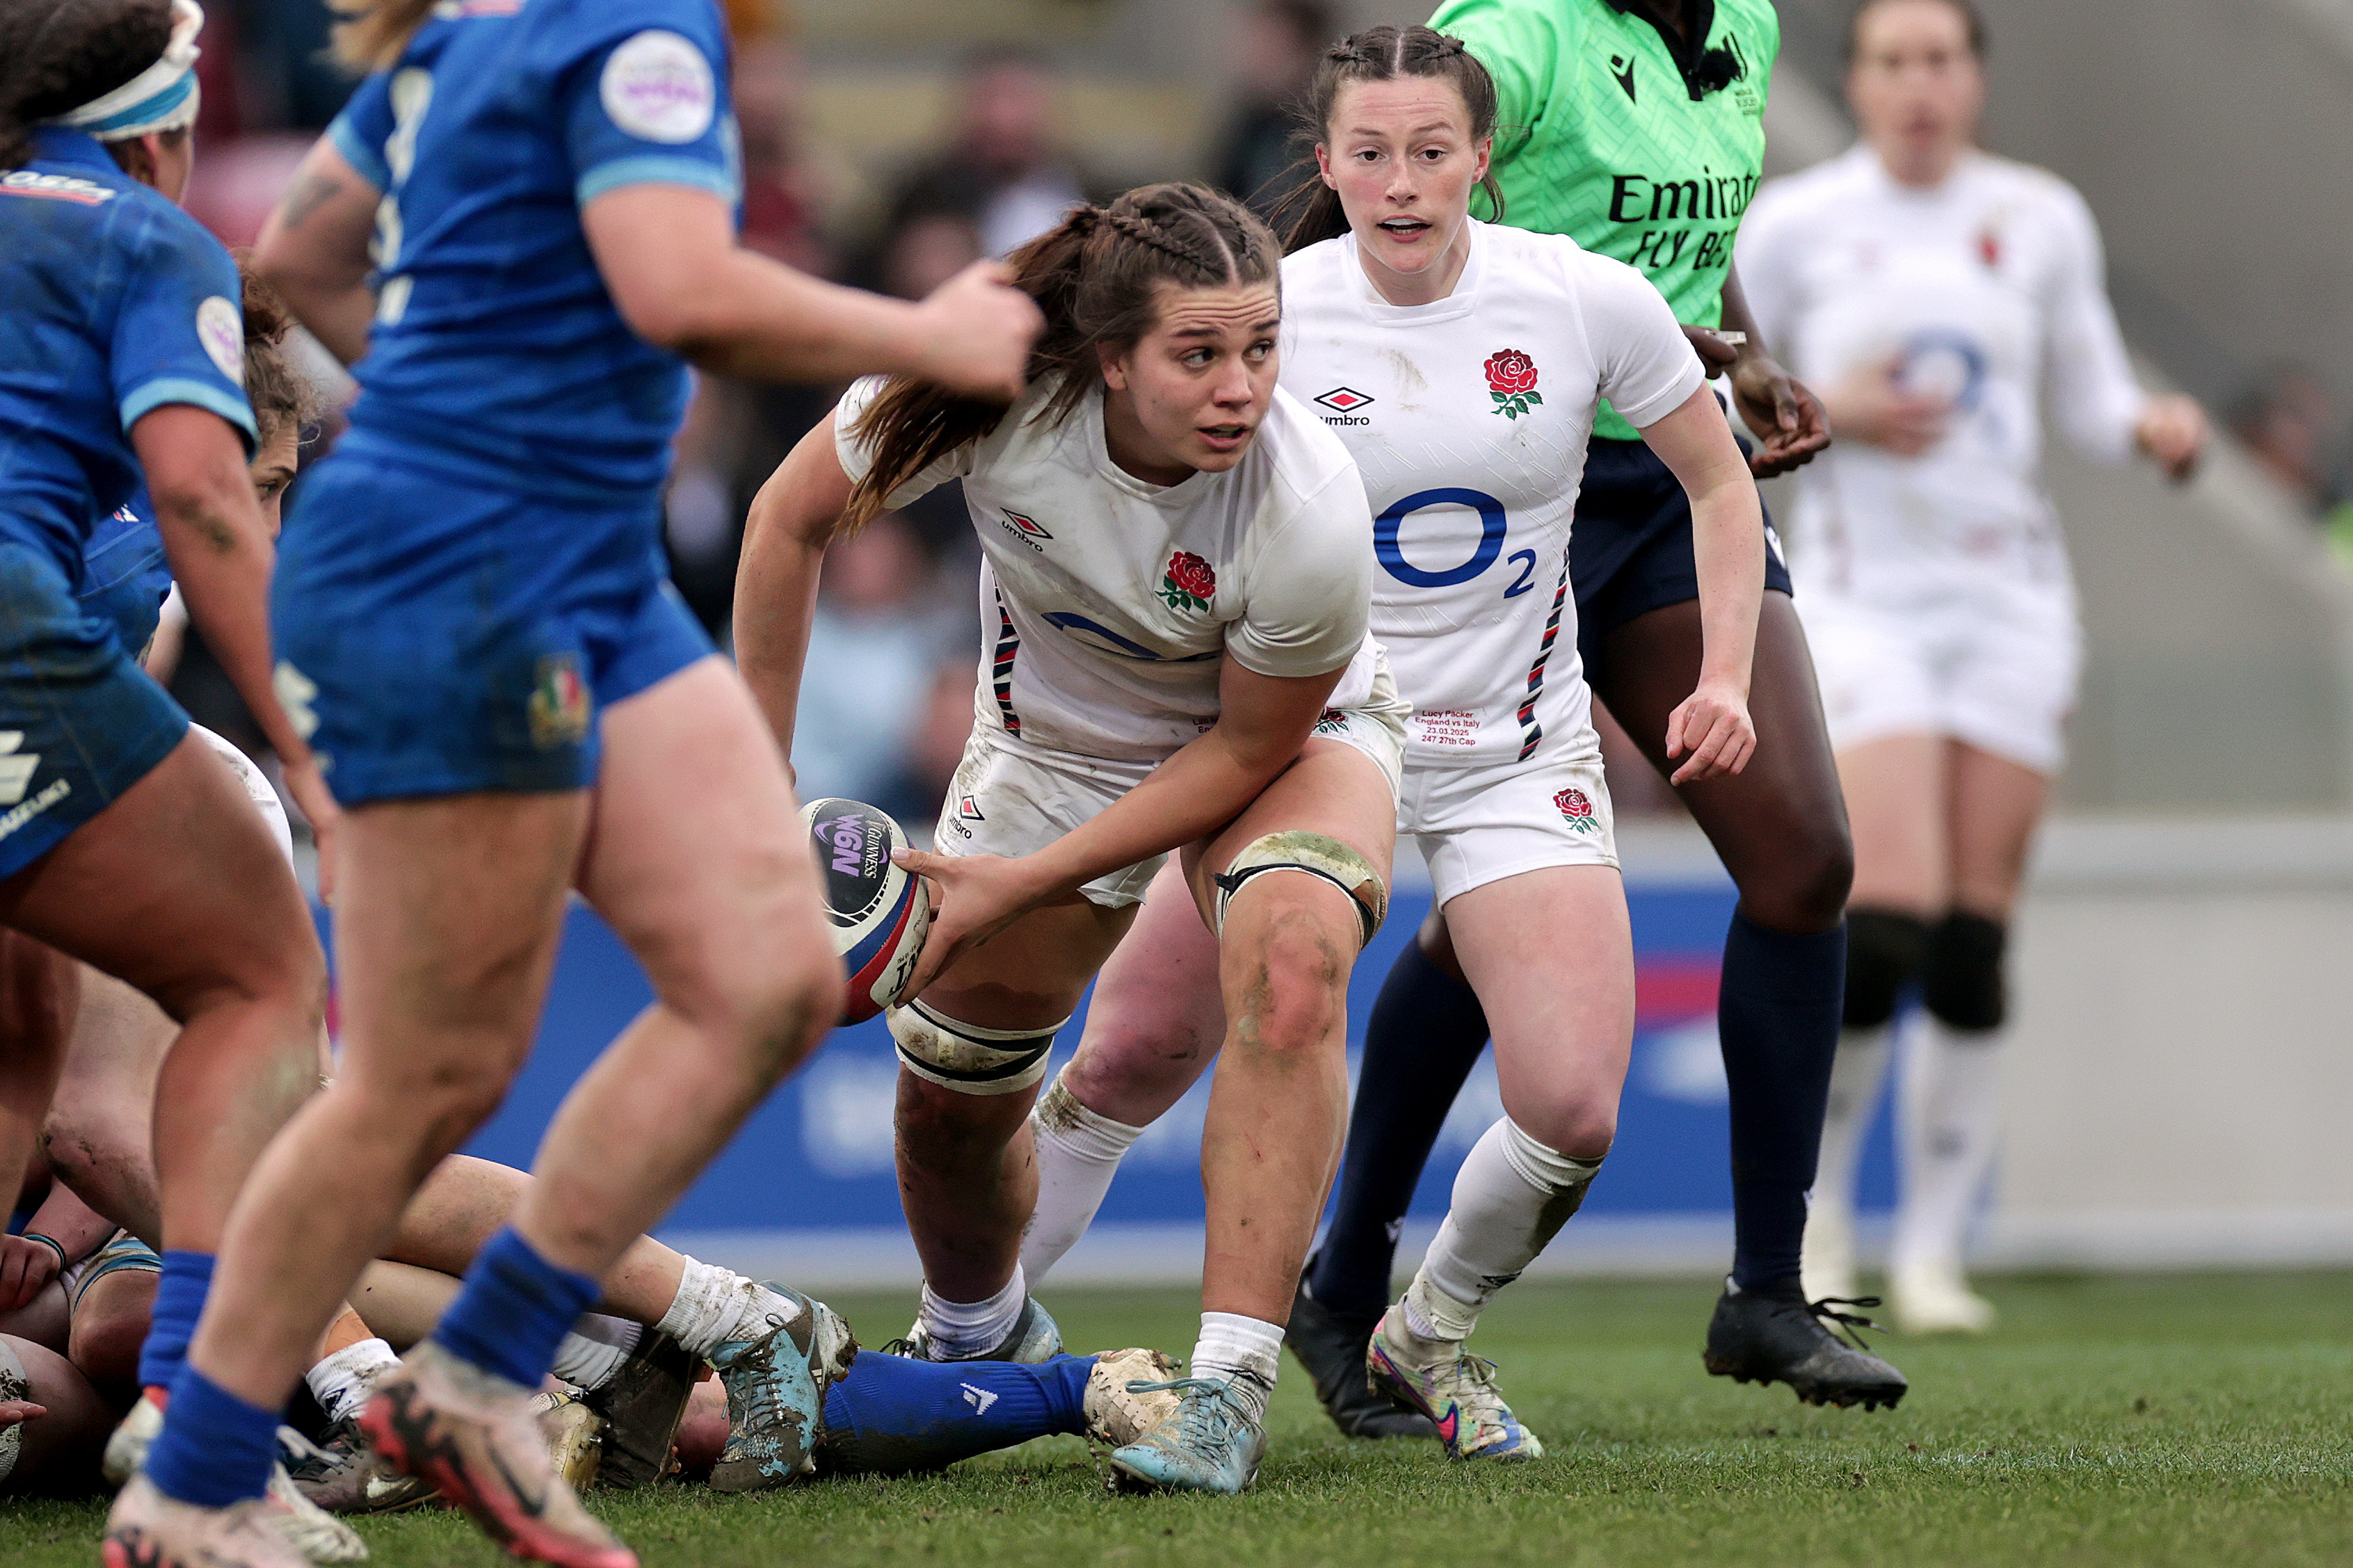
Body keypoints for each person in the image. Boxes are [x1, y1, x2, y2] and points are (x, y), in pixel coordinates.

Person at [108, 0, 1043, 1560]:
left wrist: (475, 381)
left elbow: (308, 252)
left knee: (764, 977)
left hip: (585, 568)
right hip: (462, 565)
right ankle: (193, 1468)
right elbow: (680, 290)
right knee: (426, 1076)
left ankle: (474, 1377)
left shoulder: (477, 35)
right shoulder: (630, 25)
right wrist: (924, 334)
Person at [1014, 24, 1785, 1459]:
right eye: (1370, 153)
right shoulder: (1276, 314)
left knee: (1571, 1109)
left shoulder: (1583, 299)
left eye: (1433, 151)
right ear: (1325, 164)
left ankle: (1421, 1335)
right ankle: (964, 1341)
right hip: (1306, 742)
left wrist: (1726, 676)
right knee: (1125, 1052)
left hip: (1513, 747)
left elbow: (1716, 485)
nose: (1403, 180)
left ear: (1485, 160)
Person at [1231, 0, 1901, 1430]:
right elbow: (1405, 206)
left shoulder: (1746, 31)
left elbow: (1682, 256)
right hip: (1482, 477)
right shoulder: (1516, 36)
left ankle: (1766, 1291)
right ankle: (1345, 1281)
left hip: (1658, 479)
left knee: (1803, 858)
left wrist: (1743, 354)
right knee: (1489, 881)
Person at [736, 182, 1406, 1495]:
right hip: (1045, 749)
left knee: (1294, 963)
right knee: (948, 1109)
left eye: (1262, 348)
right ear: (1108, 357)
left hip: (1282, 741)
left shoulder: (1311, 506)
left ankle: (1223, 1394)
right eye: (1198, 354)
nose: (1241, 387)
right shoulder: (979, 378)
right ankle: (978, 1339)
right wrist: (754, 801)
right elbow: (786, 518)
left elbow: (1245, 753)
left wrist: (1017, 885)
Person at [1737, 0, 2206, 1334]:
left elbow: (2087, 393)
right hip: (1868, 600)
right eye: (1892, 61)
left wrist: (2154, 428)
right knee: (1879, 920)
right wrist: (1841, 406)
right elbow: (1727, 389)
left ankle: (1937, 1253)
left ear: (1975, 77)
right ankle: (1821, 1224)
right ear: (1861, 81)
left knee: (1973, 943)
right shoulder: (1798, 222)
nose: (1918, 85)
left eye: (1941, 59)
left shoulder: (2041, 217)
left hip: (2011, 598)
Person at [0, 0, 346, 1544]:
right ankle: (201, 1434)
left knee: (27, 1022)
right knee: (256, 978)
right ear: (158, 124)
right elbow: (206, 505)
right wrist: (316, 750)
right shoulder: (147, 238)